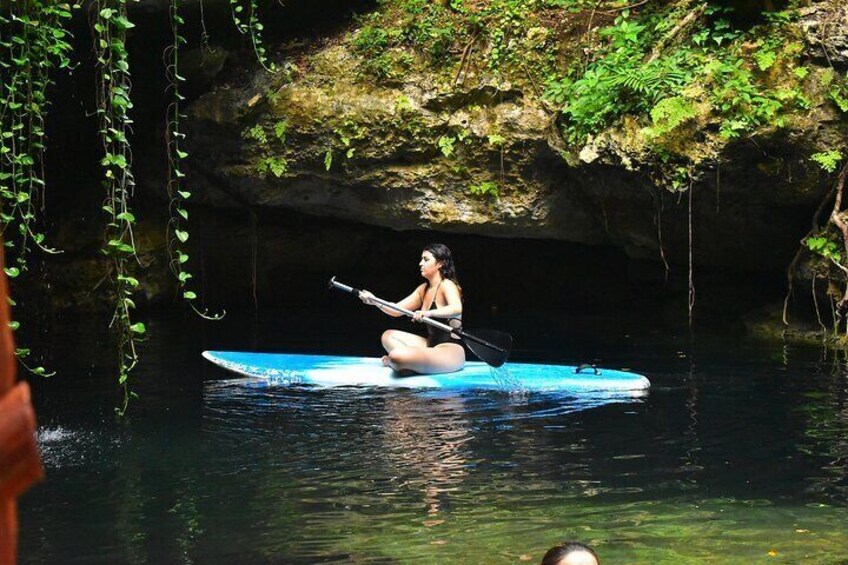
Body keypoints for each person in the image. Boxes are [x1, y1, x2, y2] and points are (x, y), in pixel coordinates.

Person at [358, 243, 465, 374]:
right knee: (388, 336)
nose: (420, 263)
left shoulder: (447, 284)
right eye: (421, 259)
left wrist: (428, 313)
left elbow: (456, 308)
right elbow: (396, 310)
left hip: (450, 350)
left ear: (440, 263)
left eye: (426, 260)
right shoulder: (423, 289)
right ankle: (409, 363)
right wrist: (374, 301)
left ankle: (403, 362)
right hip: (431, 345)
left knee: (396, 356)